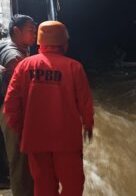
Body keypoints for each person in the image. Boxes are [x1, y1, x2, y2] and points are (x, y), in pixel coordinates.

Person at [3, 20, 94, 196]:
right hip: (67, 142)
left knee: (43, 185)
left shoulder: (24, 66)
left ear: (40, 42)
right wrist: (88, 125)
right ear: (63, 42)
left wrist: (22, 132)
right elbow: (85, 102)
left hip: (35, 141)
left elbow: (11, 104)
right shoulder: (74, 67)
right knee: (73, 185)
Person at [0, 15, 36, 194]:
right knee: (20, 161)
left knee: (12, 156)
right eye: (31, 30)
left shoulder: (9, 45)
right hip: (11, 112)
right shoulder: (14, 56)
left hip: (6, 110)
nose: (35, 34)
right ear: (16, 31)